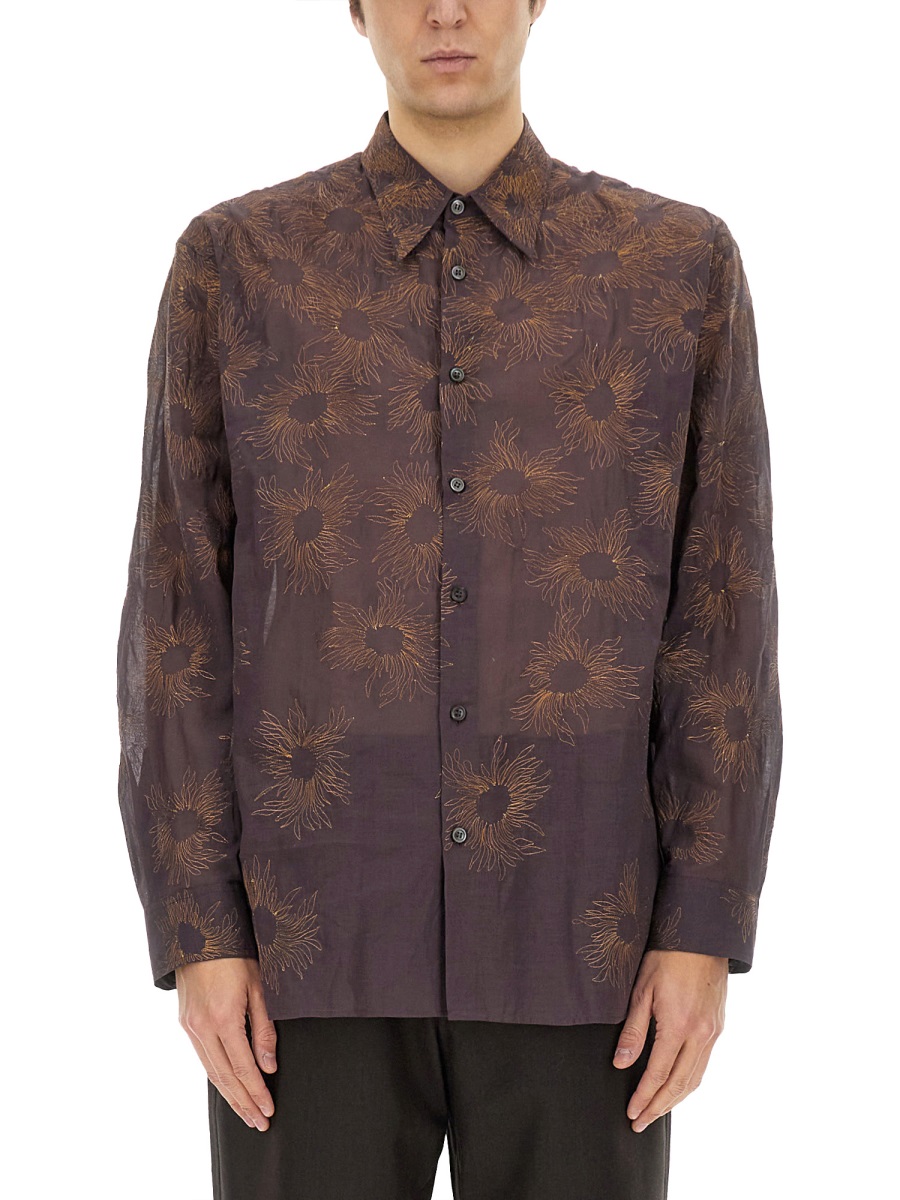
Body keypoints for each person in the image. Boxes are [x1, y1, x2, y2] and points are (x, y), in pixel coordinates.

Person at [115, 1, 783, 1196]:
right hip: (308, 944)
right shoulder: (238, 265)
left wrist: (703, 925)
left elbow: (723, 620)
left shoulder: (675, 270)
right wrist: (197, 930)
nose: (447, 10)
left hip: (585, 938)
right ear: (355, 8)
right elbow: (175, 621)